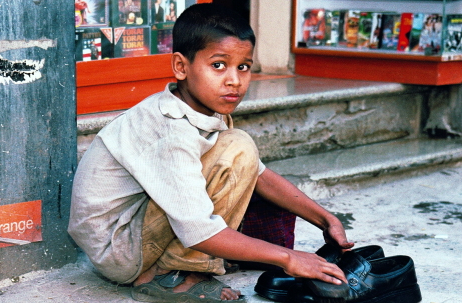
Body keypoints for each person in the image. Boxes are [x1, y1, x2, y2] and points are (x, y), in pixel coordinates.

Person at [68, 3, 354, 302]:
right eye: (218, 65)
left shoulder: (199, 108)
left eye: (243, 66)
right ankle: (175, 276)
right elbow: (199, 229)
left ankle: (178, 264)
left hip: (134, 232)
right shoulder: (170, 130)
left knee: (239, 149)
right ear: (181, 66)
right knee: (238, 147)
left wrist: (325, 219)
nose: (234, 80)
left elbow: (260, 175)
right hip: (120, 248)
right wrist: (288, 258)